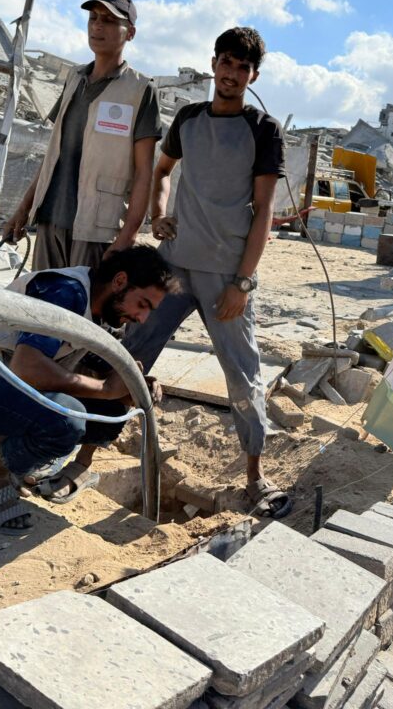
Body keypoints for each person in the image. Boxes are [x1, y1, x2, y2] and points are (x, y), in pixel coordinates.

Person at [125, 26, 292, 519]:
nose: (233, 74)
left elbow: (263, 210)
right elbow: (160, 170)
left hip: (225, 279)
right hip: (175, 269)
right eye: (227, 63)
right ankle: (87, 449)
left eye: (244, 68)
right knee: (130, 352)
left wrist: (243, 281)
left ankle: (255, 477)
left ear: (253, 75)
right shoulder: (189, 119)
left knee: (243, 377)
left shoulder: (263, 129)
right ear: (214, 63)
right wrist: (159, 214)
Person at [0, 245, 174, 534]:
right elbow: (27, 367)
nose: (142, 318)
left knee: (110, 408)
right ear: (119, 282)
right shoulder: (65, 292)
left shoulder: (102, 312)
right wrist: (105, 387)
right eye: (142, 304)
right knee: (67, 420)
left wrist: (132, 383)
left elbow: (101, 370)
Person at [3, 0, 162, 271]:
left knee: (85, 312)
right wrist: (23, 209)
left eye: (110, 21)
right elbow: (54, 155)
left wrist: (128, 235)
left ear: (130, 33)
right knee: (42, 308)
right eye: (93, 17)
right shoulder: (74, 79)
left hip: (97, 230)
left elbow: (143, 174)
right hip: (50, 219)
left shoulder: (140, 90)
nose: (98, 25)